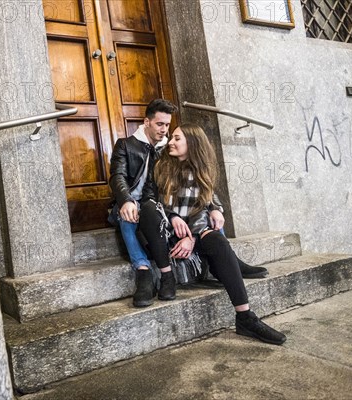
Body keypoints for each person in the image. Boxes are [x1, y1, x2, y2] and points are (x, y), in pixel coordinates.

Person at [108, 99, 267, 308]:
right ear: (146, 122)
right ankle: (143, 272)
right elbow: (117, 176)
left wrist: (215, 208)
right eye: (160, 124)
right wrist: (126, 200)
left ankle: (229, 262)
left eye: (167, 125)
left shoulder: (170, 148)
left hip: (162, 204)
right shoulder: (126, 145)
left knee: (210, 214)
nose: (165, 130)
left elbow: (199, 185)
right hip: (135, 202)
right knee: (129, 213)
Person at [139, 123, 286, 345]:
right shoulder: (160, 164)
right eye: (172, 137)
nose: (170, 141)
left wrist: (193, 238)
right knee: (152, 212)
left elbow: (201, 209)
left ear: (192, 143)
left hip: (191, 232)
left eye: (177, 138)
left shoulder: (201, 171)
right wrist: (172, 217)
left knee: (216, 239)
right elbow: (152, 200)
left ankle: (245, 317)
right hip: (163, 232)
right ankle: (184, 272)